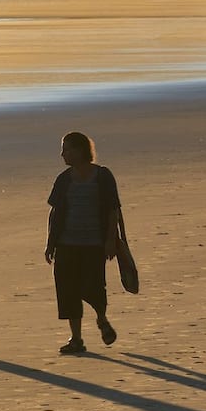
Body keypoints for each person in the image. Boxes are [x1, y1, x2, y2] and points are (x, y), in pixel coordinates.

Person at [46, 131, 122, 354]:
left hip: (94, 243)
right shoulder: (63, 179)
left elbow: (112, 211)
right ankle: (76, 339)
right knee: (68, 291)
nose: (62, 154)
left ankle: (101, 318)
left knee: (95, 286)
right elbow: (55, 213)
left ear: (80, 150)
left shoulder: (103, 176)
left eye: (67, 149)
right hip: (66, 243)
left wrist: (110, 240)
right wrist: (50, 243)